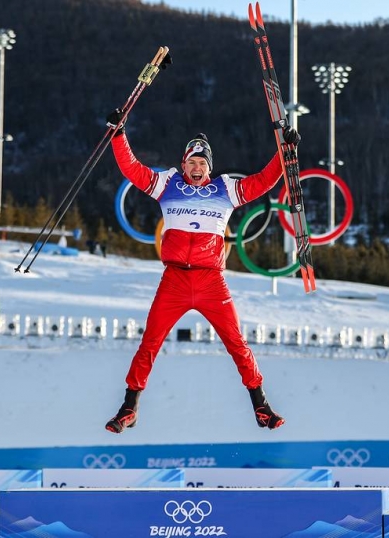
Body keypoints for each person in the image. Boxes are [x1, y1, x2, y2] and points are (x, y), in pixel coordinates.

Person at [103, 109, 300, 434]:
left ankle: (260, 405)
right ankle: (130, 406)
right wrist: (118, 135)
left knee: (237, 343)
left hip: (211, 281)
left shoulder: (225, 188)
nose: (197, 168)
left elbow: (264, 181)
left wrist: (285, 152)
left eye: (202, 163)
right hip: (176, 279)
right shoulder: (167, 184)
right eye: (192, 162)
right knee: (150, 341)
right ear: (184, 164)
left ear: (210, 166)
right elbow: (132, 169)